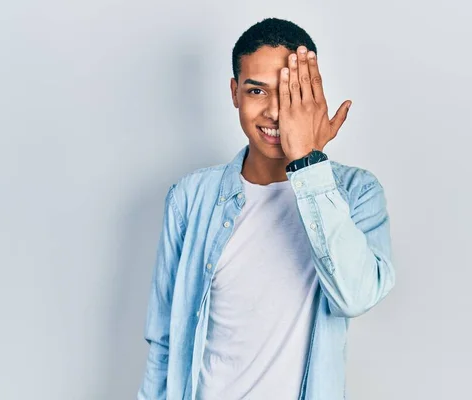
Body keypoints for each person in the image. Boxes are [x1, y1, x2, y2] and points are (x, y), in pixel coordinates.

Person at [138, 17, 395, 400]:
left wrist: (309, 163)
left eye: (291, 93)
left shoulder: (356, 192)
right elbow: (164, 342)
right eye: (257, 91)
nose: (275, 112)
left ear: (313, 94)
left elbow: (355, 296)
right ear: (234, 92)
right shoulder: (190, 199)